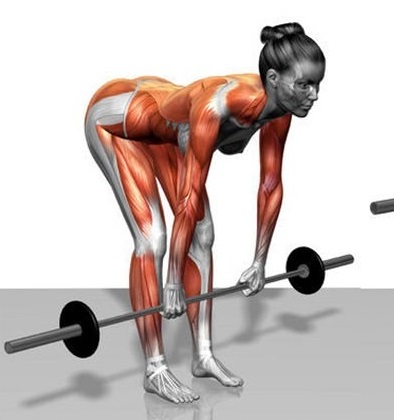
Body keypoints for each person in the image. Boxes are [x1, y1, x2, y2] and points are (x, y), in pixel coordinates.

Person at [84, 22, 325, 403]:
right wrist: (173, 282)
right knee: (153, 238)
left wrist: (258, 261)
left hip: (164, 125)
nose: (314, 95)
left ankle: (203, 355)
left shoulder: (281, 107)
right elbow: (190, 195)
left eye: (317, 85)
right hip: (118, 119)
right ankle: (155, 368)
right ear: (274, 78)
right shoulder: (217, 106)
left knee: (204, 234)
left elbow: (270, 185)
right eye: (305, 85)